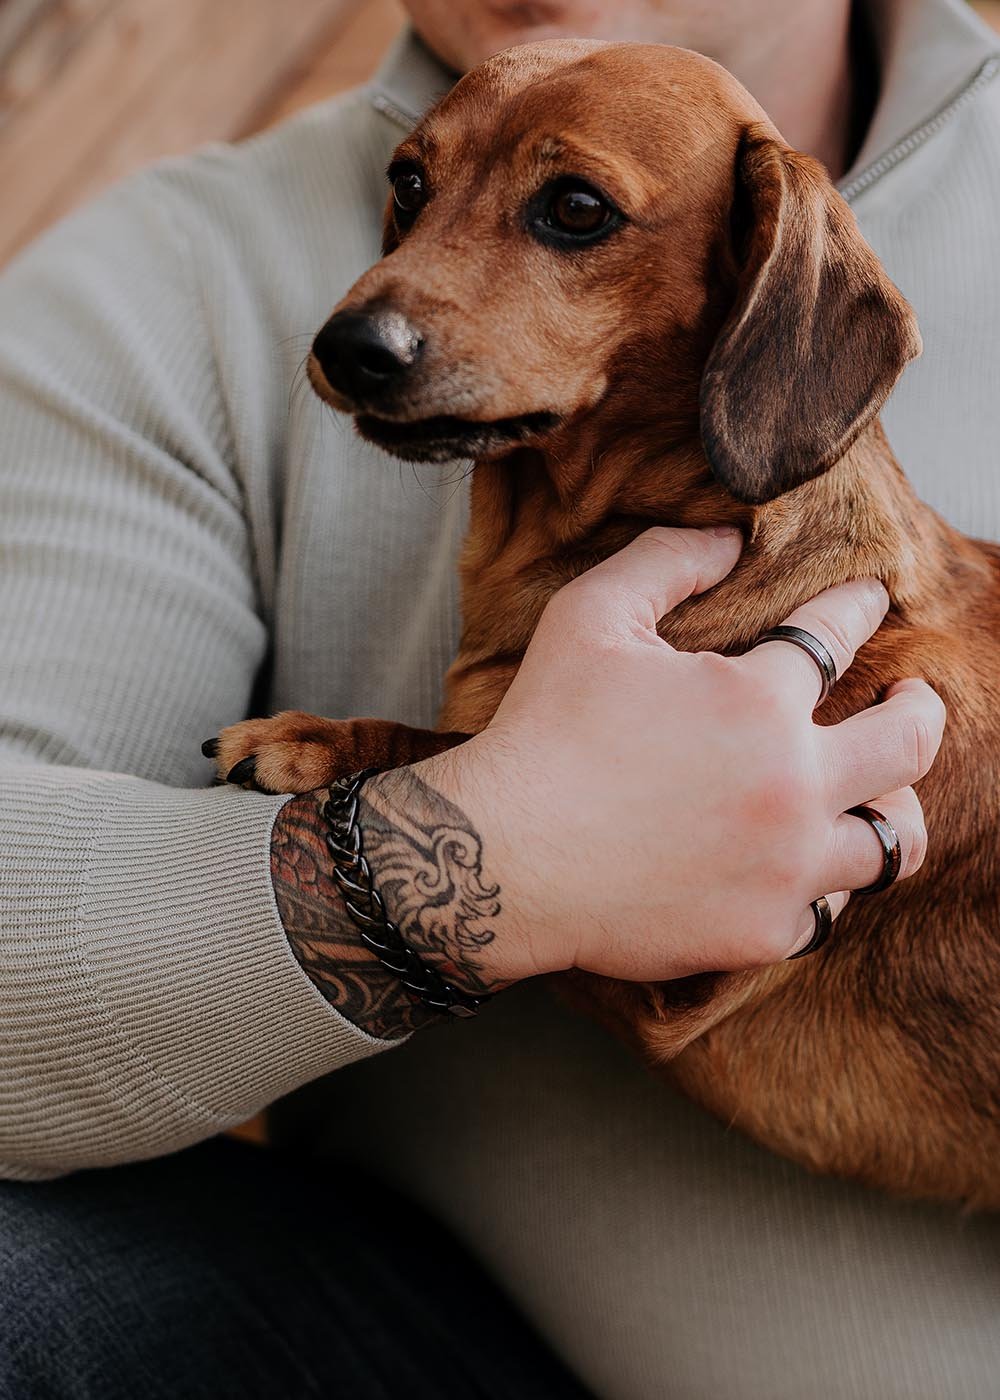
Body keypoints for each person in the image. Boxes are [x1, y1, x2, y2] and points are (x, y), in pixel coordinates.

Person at [0, 0, 996, 1395]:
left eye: (576, 212)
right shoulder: (161, 278)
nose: (393, 288)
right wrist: (474, 847)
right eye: (413, 190)